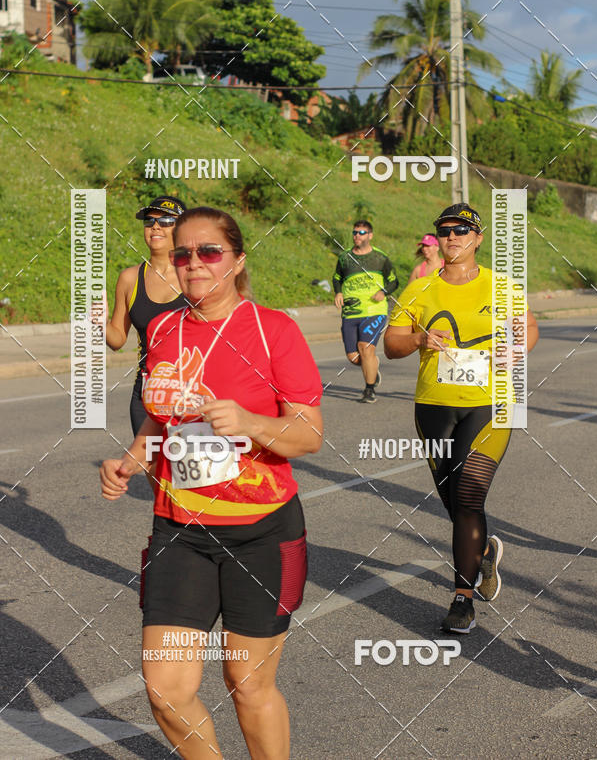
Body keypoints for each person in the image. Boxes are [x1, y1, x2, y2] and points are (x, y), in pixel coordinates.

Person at [100, 206, 323, 760]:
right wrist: (130, 459)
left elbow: (309, 434)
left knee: (248, 686)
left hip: (262, 532)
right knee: (167, 691)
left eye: (208, 252)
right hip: (181, 531)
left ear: (237, 260)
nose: (193, 262)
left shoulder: (274, 330)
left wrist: (249, 423)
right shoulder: (165, 329)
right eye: (182, 253)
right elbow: (160, 413)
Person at [384, 203, 539, 634]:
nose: (452, 238)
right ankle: (482, 555)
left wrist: (517, 347)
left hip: (493, 401)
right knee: (454, 500)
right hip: (433, 405)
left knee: (469, 496)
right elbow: (391, 346)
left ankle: (462, 599)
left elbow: (528, 328)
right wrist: (419, 338)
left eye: (461, 230)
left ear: (478, 238)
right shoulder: (419, 290)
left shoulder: (501, 285)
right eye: (445, 231)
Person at [104, 195, 188, 435]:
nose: (155, 227)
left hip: (193, 393)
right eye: (149, 221)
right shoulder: (129, 278)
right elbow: (117, 339)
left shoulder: (196, 274)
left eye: (166, 220)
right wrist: (99, 323)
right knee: (150, 469)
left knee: (186, 470)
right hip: (147, 394)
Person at [333, 219, 399, 403]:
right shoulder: (345, 258)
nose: (357, 236)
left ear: (370, 235)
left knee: (365, 348)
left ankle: (369, 390)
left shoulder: (381, 258)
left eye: (361, 233)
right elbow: (337, 278)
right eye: (355, 232)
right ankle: (372, 368)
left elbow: (394, 281)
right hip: (350, 312)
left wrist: (383, 291)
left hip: (374, 310)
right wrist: (338, 292)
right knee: (354, 357)